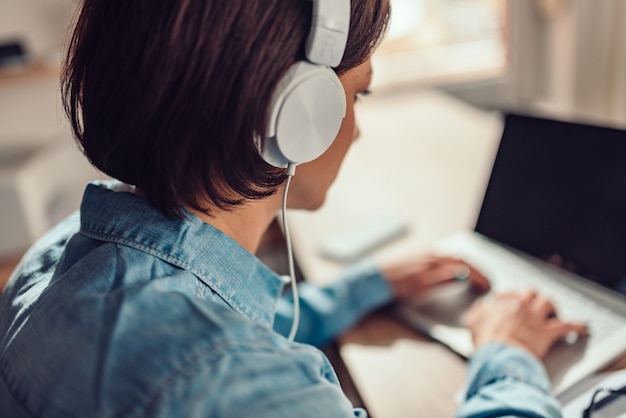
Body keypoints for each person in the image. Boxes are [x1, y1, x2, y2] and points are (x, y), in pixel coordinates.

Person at [0, 0, 586, 417]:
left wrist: (366, 286)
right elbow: (217, 366)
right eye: (358, 95)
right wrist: (506, 358)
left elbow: (204, 328)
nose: (355, 132)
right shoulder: (246, 389)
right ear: (296, 115)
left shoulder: (61, 252)